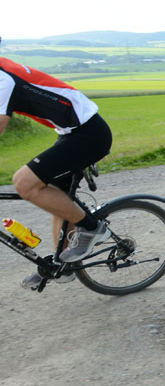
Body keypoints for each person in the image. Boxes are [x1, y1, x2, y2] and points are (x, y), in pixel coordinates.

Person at [0, 44, 113, 289]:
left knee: (24, 183)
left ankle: (92, 228)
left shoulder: (2, 78)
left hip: (89, 134)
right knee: (57, 195)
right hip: (71, 132)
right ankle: (61, 266)